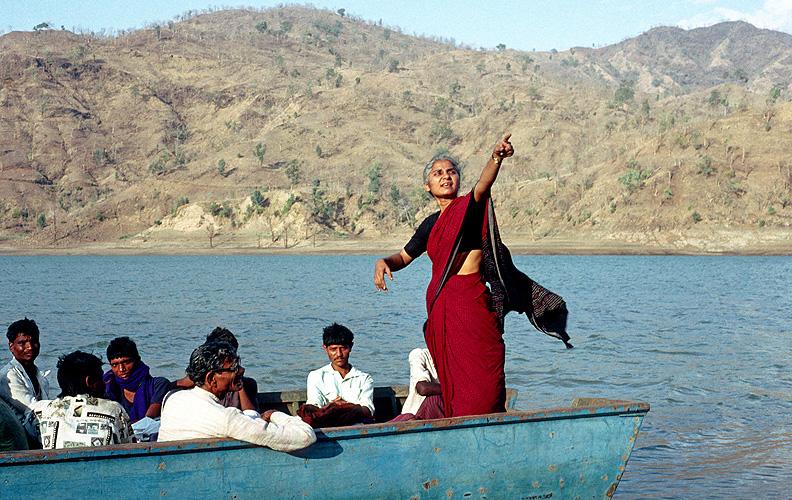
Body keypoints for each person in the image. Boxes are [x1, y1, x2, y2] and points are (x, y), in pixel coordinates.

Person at [374, 135, 571, 418]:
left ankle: (482, 424)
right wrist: (384, 261)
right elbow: (404, 257)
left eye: (451, 172)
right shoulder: (430, 225)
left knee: (486, 376)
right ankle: (457, 425)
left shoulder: (469, 208)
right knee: (454, 382)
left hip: (472, 306)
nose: (446, 177)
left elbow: (482, 186)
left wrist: (496, 159)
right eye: (437, 173)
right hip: (444, 312)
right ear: (427, 186)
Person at [158, 341, 315, 452]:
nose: (241, 370)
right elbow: (306, 436)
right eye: (233, 367)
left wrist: (255, 417)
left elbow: (240, 422)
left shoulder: (171, 398)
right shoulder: (226, 419)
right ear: (211, 378)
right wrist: (275, 414)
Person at [31, 351, 134, 449]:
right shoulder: (113, 410)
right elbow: (129, 448)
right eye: (101, 378)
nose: (104, 383)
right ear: (89, 382)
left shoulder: (40, 412)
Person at [298, 323, 374, 427]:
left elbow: (368, 409)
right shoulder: (316, 376)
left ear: (351, 347)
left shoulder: (364, 378)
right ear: (325, 349)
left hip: (356, 425)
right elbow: (314, 404)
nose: (339, 354)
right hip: (325, 423)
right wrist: (331, 407)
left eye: (343, 348)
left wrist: (346, 406)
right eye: (333, 349)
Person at [173, 327, 259, 412]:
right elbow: (171, 387)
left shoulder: (247, 384)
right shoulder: (202, 379)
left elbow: (253, 415)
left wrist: (238, 381)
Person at [104, 336, 171, 440]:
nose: (121, 369)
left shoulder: (158, 385)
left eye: (126, 362)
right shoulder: (110, 389)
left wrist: (119, 428)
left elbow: (149, 419)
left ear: (137, 360)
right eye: (115, 365)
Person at [0, 318, 50, 446]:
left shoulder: (37, 373)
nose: (30, 347)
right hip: (22, 439)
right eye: (23, 343)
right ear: (11, 346)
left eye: (34, 341)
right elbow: (31, 408)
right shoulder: (8, 376)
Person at [400, 348, 444, 420]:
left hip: (443, 412)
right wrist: (456, 389)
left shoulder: (457, 356)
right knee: (434, 400)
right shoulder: (419, 354)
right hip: (416, 415)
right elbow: (422, 388)